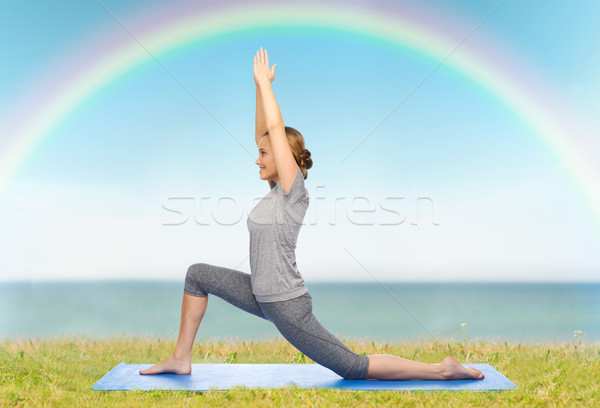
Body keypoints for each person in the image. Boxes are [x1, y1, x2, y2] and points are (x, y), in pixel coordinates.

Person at [140, 47, 484, 381]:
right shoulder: (275, 192)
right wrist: (261, 89)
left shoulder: (294, 193)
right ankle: (180, 358)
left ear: (282, 157)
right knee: (197, 275)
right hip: (261, 295)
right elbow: (266, 131)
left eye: (264, 153)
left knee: (352, 367)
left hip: (287, 305)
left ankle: (441, 370)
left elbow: (275, 131)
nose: (257, 159)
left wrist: (263, 85)